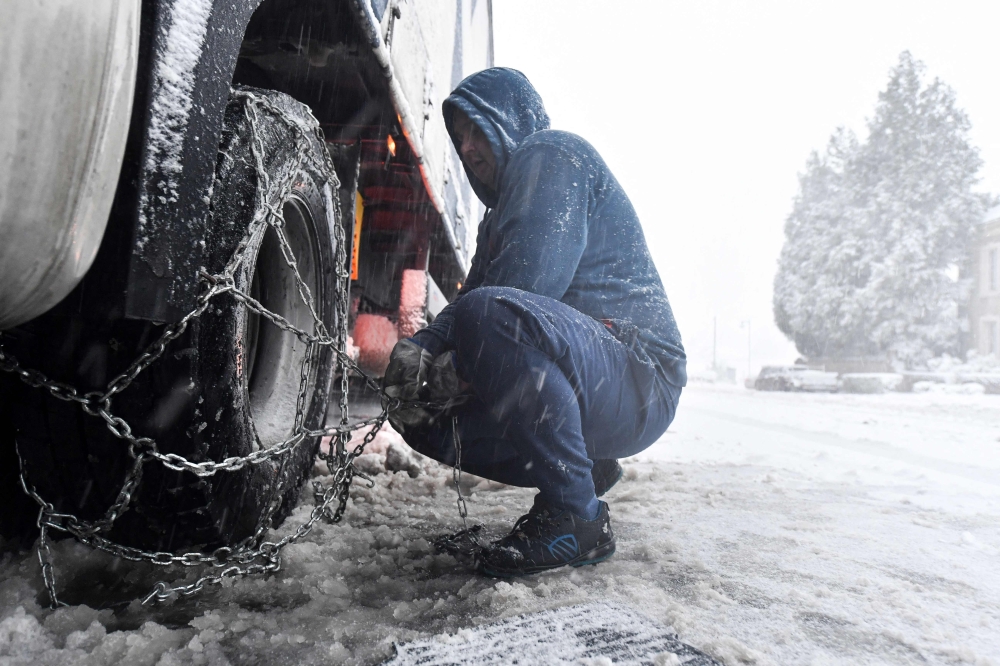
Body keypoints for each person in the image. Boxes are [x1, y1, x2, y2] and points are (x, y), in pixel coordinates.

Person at [383, 67, 685, 577]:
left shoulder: (553, 154)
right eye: (459, 139)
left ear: (513, 119)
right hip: (591, 380)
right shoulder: (496, 218)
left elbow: (520, 291)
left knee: (489, 318)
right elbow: (473, 307)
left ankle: (577, 518)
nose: (468, 147)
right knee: (422, 413)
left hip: (639, 377)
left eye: (479, 128)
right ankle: (581, 473)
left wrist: (444, 355)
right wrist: (423, 353)